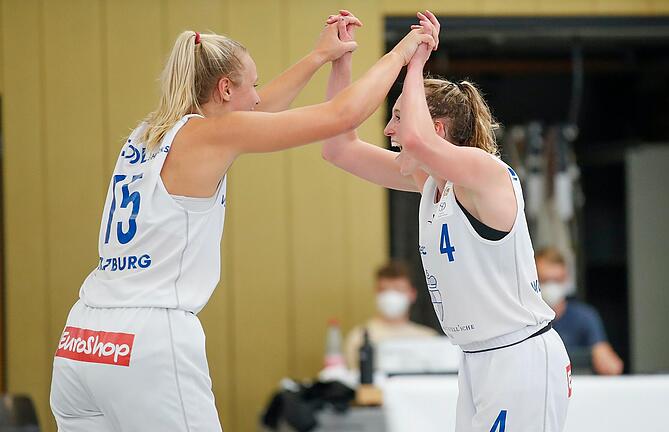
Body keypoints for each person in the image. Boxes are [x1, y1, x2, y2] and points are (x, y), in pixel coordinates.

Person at [49, 12, 436, 431]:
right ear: (225, 88)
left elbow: (262, 109)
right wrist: (401, 51)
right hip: (146, 336)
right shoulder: (210, 135)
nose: (257, 96)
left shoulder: (147, 133)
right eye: (251, 83)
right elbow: (342, 116)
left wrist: (320, 57)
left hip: (82, 338)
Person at [324, 11, 570, 431]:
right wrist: (342, 61)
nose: (388, 130)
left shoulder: (483, 173)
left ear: (435, 126)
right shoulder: (430, 183)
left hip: (520, 356)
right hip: (478, 359)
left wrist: (415, 61)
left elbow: (418, 139)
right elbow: (337, 147)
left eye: (397, 116)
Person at [535, 247, 624, 375]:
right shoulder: (525, 319)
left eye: (557, 280)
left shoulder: (584, 317)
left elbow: (612, 367)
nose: (551, 286)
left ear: (566, 280)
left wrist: (602, 357)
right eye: (545, 280)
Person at [344, 261, 437, 369]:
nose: (391, 296)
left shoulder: (429, 339)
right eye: (384, 290)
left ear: (412, 294)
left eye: (398, 289)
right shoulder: (358, 338)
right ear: (376, 293)